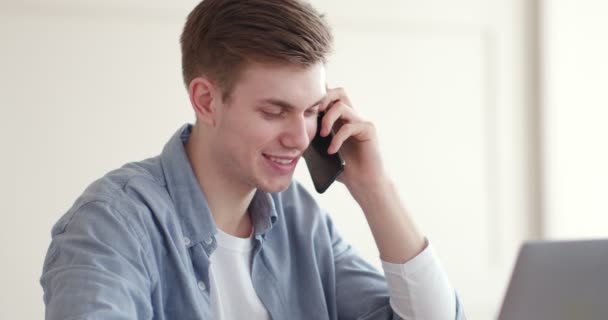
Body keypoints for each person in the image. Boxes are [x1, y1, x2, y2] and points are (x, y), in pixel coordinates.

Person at [40, 0, 466, 319]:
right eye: (274, 111)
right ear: (206, 101)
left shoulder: (299, 219)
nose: (300, 138)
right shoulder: (112, 223)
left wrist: (375, 190)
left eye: (313, 110)